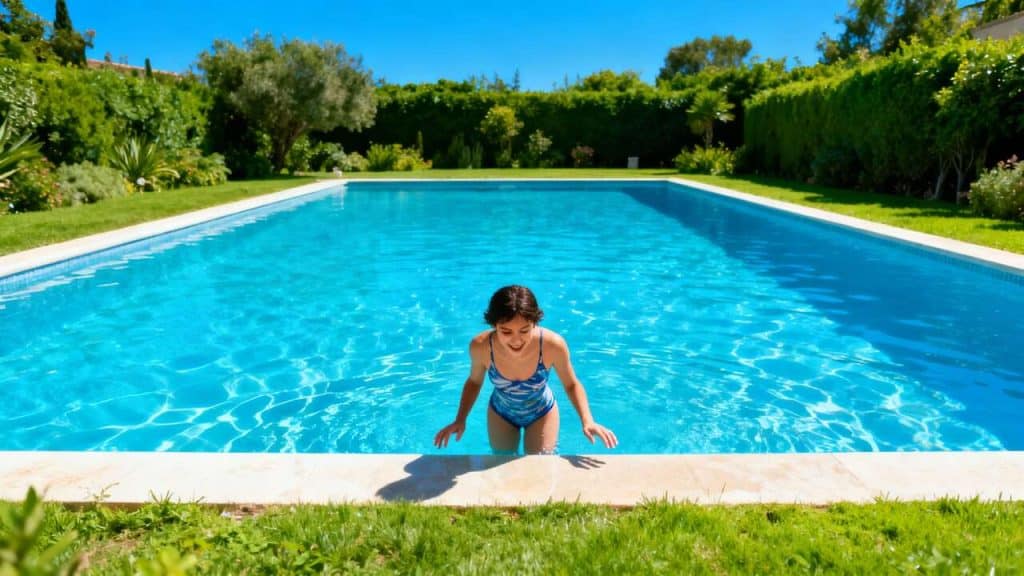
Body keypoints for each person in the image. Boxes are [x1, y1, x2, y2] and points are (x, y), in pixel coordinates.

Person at [434, 285, 618, 454]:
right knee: (502, 462)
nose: (516, 340)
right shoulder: (481, 346)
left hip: (542, 412)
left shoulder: (552, 345)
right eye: (506, 332)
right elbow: (474, 382)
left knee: (541, 463)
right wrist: (460, 419)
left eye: (524, 330)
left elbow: (571, 384)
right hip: (501, 413)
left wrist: (587, 419)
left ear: (535, 322)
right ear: (494, 325)